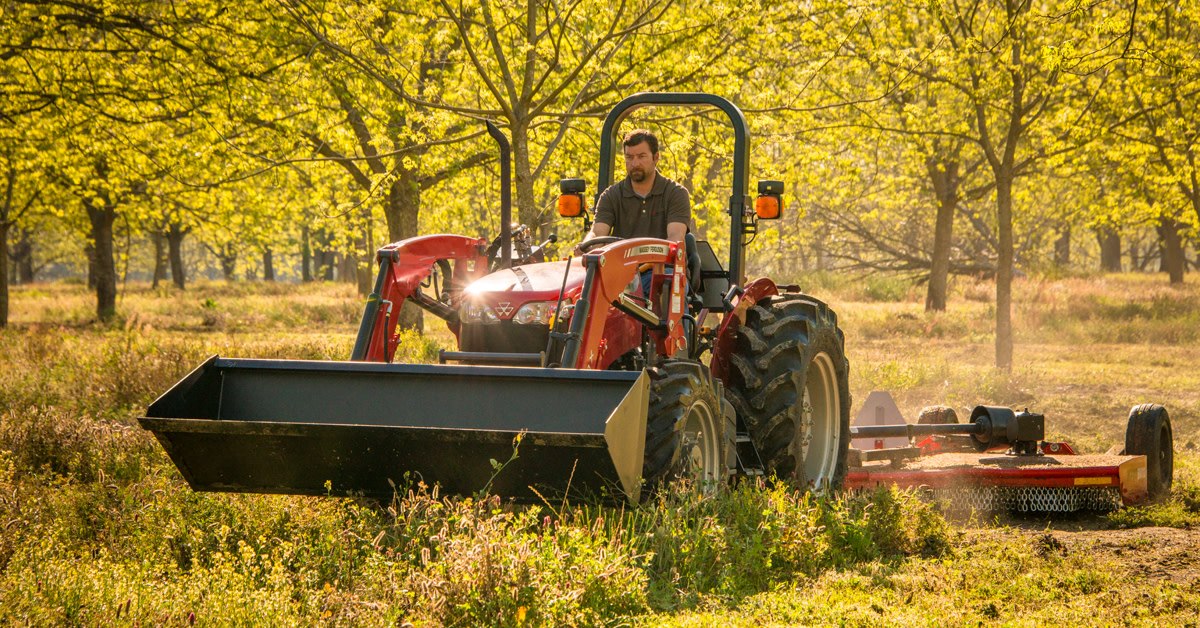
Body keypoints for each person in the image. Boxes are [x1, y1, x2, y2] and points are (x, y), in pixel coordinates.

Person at [576, 129, 692, 252]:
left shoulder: (675, 193)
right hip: (620, 267)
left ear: (656, 157)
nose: (635, 163)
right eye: (629, 157)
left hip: (663, 268)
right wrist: (586, 246)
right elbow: (597, 233)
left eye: (641, 156)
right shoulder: (611, 196)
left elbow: (675, 238)